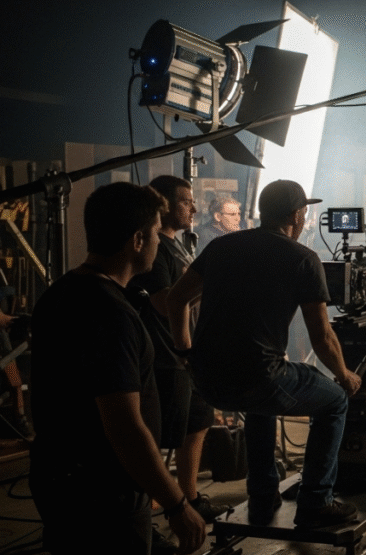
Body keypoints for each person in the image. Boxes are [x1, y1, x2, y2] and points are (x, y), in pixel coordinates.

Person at [166, 179, 362, 529]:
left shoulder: (222, 247)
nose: (305, 217)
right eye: (304, 211)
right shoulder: (303, 258)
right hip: (258, 379)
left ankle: (262, 492)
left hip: (207, 381)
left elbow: (177, 299)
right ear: (296, 215)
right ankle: (317, 501)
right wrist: (345, 375)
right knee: (333, 401)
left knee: (261, 402)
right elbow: (322, 336)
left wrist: (184, 351)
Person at [28, 182, 206, 554]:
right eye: (157, 234)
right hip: (103, 494)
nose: (160, 243)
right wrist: (176, 504)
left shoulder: (59, 293)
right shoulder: (111, 315)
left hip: (60, 479)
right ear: (138, 240)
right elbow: (124, 426)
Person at [129, 176, 228, 527]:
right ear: (165, 205)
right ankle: (153, 509)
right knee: (159, 438)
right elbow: (163, 303)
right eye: (186, 201)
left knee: (197, 425)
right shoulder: (157, 252)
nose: (194, 208)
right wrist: (209, 287)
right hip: (169, 357)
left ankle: (190, 498)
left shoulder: (178, 246)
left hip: (189, 356)